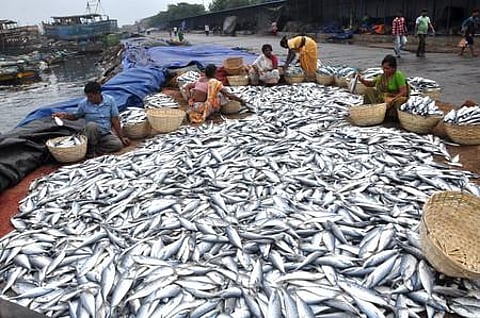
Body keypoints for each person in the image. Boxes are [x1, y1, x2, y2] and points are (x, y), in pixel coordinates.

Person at [52, 81, 130, 158]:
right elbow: (75, 116)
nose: (89, 99)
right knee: (92, 125)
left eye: (91, 96)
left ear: (98, 93)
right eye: (87, 96)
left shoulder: (110, 101)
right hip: (90, 134)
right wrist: (64, 115)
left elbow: (115, 120)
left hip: (104, 134)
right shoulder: (84, 104)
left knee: (118, 145)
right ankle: (90, 150)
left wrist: (121, 137)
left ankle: (94, 150)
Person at [358, 54, 409, 120]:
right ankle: (374, 110)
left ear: (394, 68)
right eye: (383, 68)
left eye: (387, 68)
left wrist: (391, 99)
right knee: (369, 90)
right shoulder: (383, 76)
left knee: (401, 100)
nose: (385, 70)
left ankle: (391, 116)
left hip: (396, 97)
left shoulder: (398, 75)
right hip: (384, 97)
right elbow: (371, 84)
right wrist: (362, 80)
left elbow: (404, 92)